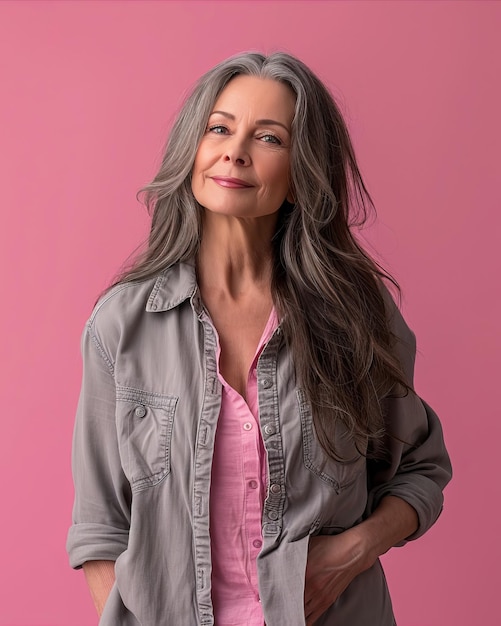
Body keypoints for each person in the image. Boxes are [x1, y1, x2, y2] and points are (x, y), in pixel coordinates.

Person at [67, 52, 452, 626]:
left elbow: (421, 472)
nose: (235, 151)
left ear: (301, 175)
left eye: (269, 138)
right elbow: (100, 527)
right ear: (192, 150)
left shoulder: (357, 318)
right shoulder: (121, 325)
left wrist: (351, 553)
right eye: (219, 128)